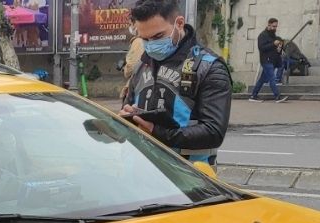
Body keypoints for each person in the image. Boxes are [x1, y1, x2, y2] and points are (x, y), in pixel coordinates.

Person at [121, 0, 232, 165]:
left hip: (189, 174)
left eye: (158, 37)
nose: (151, 45)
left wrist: (156, 132)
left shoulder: (209, 67)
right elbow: (127, 108)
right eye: (145, 39)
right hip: (142, 170)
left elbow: (213, 132)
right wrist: (125, 118)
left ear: (179, 23)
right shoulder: (141, 65)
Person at [249, 18, 288, 102]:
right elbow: (261, 48)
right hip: (266, 60)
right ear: (269, 25)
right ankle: (277, 96)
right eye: (273, 26)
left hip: (272, 60)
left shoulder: (273, 36)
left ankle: (253, 96)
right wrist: (273, 44)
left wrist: (279, 47)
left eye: (276, 26)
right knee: (272, 78)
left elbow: (275, 48)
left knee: (262, 79)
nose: (275, 28)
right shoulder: (262, 35)